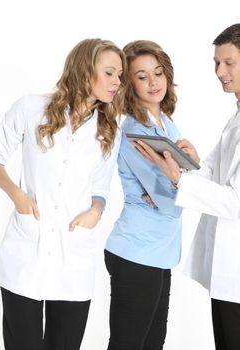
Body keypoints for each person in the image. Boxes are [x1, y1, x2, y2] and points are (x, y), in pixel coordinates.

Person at [134, 24, 240, 350]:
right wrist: (188, 164)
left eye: (228, 63)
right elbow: (212, 172)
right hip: (227, 269)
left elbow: (235, 200)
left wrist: (180, 180)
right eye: (216, 63)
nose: (220, 72)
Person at [0, 38, 125, 350]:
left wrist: (96, 211)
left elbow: (101, 188)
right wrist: (18, 195)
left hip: (73, 252)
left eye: (120, 75)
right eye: (110, 73)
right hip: (26, 249)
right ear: (86, 71)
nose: (117, 82)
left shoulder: (109, 130)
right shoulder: (31, 108)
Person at [104, 40, 186, 350]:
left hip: (159, 253)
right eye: (141, 76)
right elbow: (171, 204)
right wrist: (178, 183)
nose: (153, 82)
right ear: (129, 83)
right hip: (136, 252)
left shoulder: (166, 124)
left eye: (158, 72)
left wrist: (180, 179)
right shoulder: (135, 132)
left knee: (152, 345)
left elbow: (184, 185)